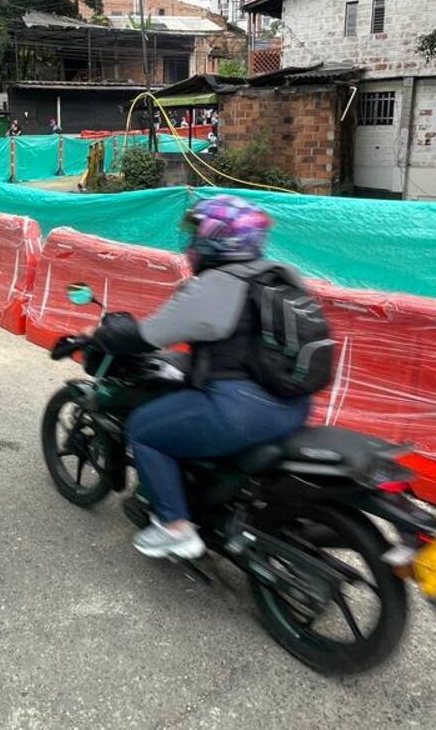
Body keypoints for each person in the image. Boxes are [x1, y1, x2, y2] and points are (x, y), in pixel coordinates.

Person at [81, 196, 312, 559]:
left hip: (240, 413)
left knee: (143, 429)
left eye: (196, 233)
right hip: (293, 405)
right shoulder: (278, 276)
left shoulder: (217, 285)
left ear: (217, 239)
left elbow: (150, 336)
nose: (190, 244)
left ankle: (175, 528)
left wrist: (104, 335)